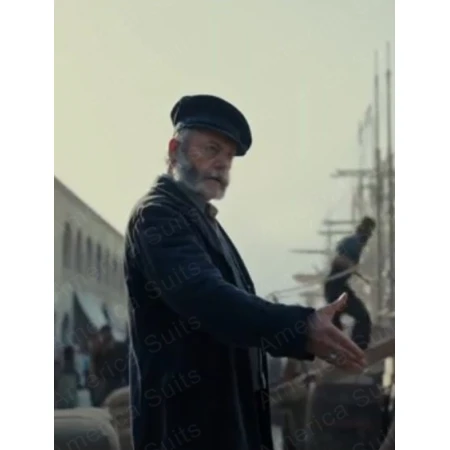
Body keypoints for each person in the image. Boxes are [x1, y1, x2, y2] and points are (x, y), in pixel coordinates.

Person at [124, 94, 367, 450]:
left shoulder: (203, 222)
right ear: (175, 149)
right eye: (211, 149)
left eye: (228, 157)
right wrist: (302, 327)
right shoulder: (158, 215)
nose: (222, 164)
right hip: (187, 429)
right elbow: (206, 298)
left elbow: (235, 313)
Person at [324, 216, 376, 350]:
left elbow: (344, 262)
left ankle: (339, 350)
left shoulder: (356, 242)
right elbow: (338, 260)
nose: (368, 237)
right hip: (336, 288)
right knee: (362, 317)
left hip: (336, 287)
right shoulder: (354, 242)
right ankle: (357, 348)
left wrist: (360, 275)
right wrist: (350, 266)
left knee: (336, 323)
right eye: (368, 232)